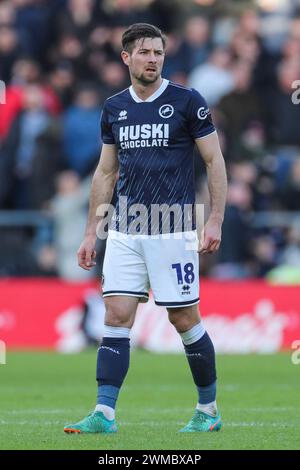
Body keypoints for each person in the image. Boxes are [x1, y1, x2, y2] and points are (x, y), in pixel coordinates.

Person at [64, 23, 227, 434]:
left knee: (184, 320)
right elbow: (105, 171)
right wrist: (90, 233)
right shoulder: (114, 107)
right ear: (126, 58)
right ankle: (104, 413)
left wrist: (215, 218)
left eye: (158, 52)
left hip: (172, 227)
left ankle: (208, 410)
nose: (153, 58)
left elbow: (214, 161)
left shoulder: (188, 101)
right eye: (144, 52)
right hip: (124, 226)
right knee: (116, 315)